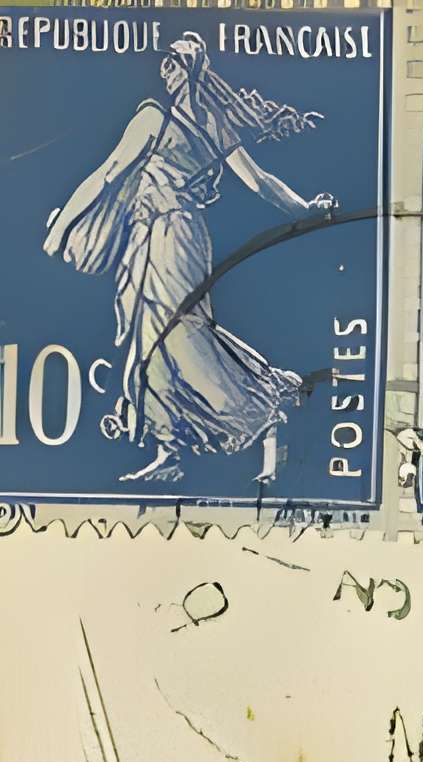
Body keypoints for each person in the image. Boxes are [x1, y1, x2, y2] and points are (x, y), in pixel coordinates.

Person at [43, 35, 335, 487]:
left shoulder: (185, 123)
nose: (168, 70)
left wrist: (305, 209)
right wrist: (64, 225)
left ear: (194, 68)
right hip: (149, 236)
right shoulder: (165, 119)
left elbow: (258, 181)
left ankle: (259, 409)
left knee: (179, 334)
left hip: (175, 234)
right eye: (166, 62)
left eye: (177, 62)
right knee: (148, 340)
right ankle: (169, 447)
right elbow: (110, 172)